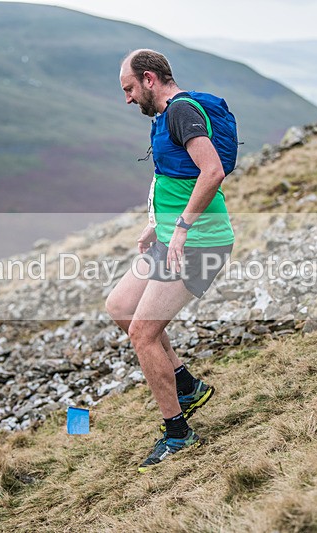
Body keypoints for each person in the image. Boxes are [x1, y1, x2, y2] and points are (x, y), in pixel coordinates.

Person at [106, 49, 237, 472]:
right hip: (171, 238)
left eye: (129, 88)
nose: (127, 98)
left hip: (200, 243)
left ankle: (178, 434)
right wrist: (156, 224)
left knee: (142, 334)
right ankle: (186, 384)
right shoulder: (163, 117)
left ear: (149, 78)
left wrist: (181, 226)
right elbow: (172, 176)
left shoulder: (181, 112)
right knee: (120, 306)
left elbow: (212, 171)